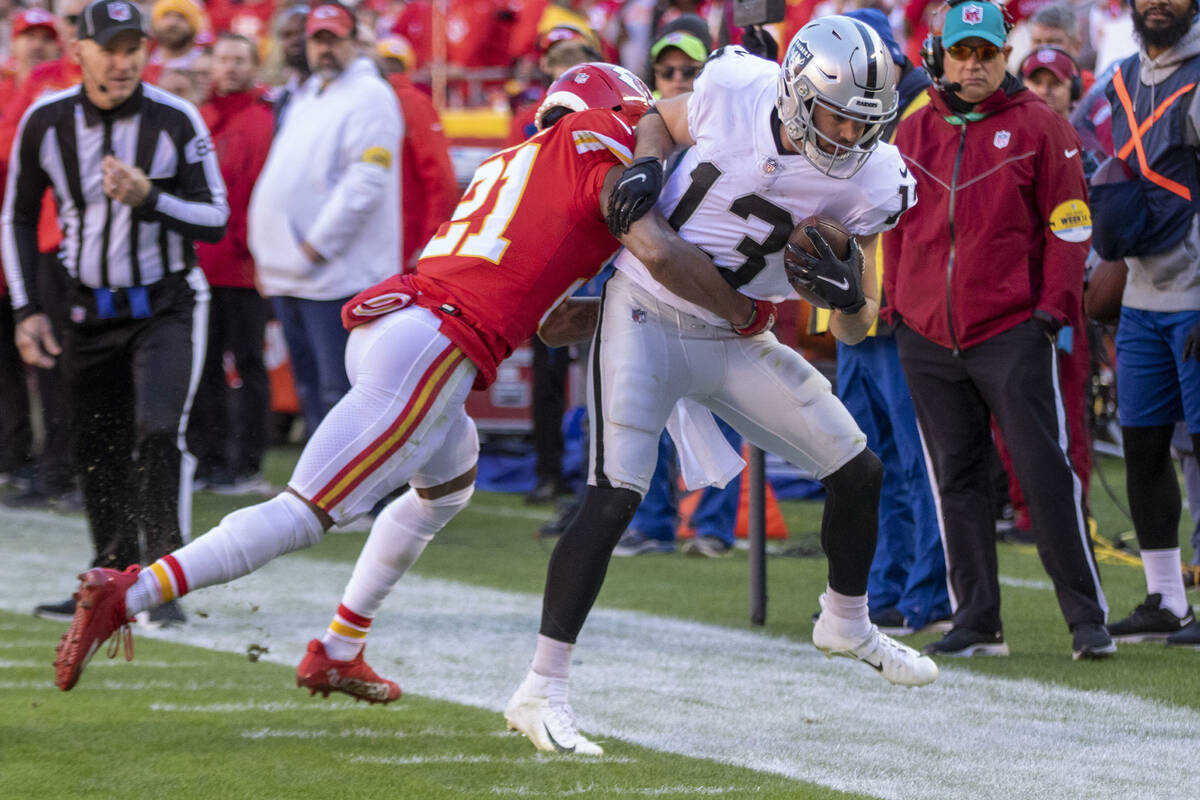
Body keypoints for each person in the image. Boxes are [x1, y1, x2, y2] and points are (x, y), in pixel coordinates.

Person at [50, 63, 763, 701]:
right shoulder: (601, 137)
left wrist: (632, 312)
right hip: (435, 348)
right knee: (306, 511)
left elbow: (548, 323)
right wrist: (736, 311)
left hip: (400, 327)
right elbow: (657, 241)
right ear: (615, 111)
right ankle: (130, 588)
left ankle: (340, 646)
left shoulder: (511, 163)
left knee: (444, 489)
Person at [506, 16, 939, 758]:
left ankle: (846, 620)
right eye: (836, 114)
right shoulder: (736, 87)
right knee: (615, 495)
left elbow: (858, 331)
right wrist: (647, 162)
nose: (848, 135)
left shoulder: (873, 177)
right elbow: (655, 119)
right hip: (645, 307)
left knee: (858, 468)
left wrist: (846, 297)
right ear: (796, 91)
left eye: (865, 121)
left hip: (739, 333)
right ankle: (541, 688)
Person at [884, 0, 1112, 660]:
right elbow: (894, 222)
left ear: (1004, 54)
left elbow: (1070, 224)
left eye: (986, 52)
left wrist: (1051, 310)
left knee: (1044, 473)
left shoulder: (1043, 125)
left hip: (1012, 328)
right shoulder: (914, 129)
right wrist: (897, 307)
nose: (975, 64)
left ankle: (1085, 616)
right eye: (964, 52)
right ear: (943, 55)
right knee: (956, 476)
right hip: (926, 333)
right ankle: (978, 618)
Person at [1, 0, 228, 627]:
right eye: (110, 47)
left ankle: (162, 580)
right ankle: (110, 579)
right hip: (84, 309)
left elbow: (216, 218)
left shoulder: (176, 117)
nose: (123, 61)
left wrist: (150, 197)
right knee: (94, 446)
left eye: (134, 48)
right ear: (80, 50)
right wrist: (26, 309)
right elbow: (17, 215)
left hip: (166, 302)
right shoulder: (45, 121)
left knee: (157, 432)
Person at [800, 7, 951, 634]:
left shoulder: (920, 117)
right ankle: (880, 588)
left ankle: (928, 593)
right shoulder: (830, 114)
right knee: (864, 459)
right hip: (854, 311)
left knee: (916, 463)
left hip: (898, 310)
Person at [611, 12, 745, 558]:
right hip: (656, 291)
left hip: (715, 289)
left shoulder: (727, 131)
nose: (676, 80)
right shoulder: (645, 134)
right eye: (665, 70)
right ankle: (655, 523)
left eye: (689, 69)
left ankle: (714, 528)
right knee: (648, 406)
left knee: (727, 406)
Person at [1098, 0, 1200, 648]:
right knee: (1141, 446)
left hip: (1194, 292)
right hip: (1140, 293)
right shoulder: (1120, 75)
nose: (1158, 3)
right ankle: (1166, 598)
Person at [248, 2, 400, 436]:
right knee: (313, 390)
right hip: (295, 274)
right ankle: (329, 496)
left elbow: (367, 181)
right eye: (318, 39)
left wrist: (316, 246)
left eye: (335, 39)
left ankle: (362, 493)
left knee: (344, 391)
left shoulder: (370, 94)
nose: (325, 49)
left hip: (337, 275)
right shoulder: (310, 94)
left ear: (354, 42)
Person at [187, 33, 274, 495]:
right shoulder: (203, 117)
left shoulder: (260, 119)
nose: (231, 66)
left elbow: (260, 190)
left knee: (247, 364)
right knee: (204, 367)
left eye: (240, 59)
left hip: (241, 266)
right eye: (224, 58)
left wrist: (251, 248)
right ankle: (210, 457)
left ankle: (247, 462)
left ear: (253, 65)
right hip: (203, 263)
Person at [376, 35, 457, 271]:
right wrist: (432, 239)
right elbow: (441, 178)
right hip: (408, 242)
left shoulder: (369, 102)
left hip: (386, 243)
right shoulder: (415, 103)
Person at [144, 0, 208, 85]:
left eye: (181, 17)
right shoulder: (144, 59)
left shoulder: (204, 65)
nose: (172, 23)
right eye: (166, 16)